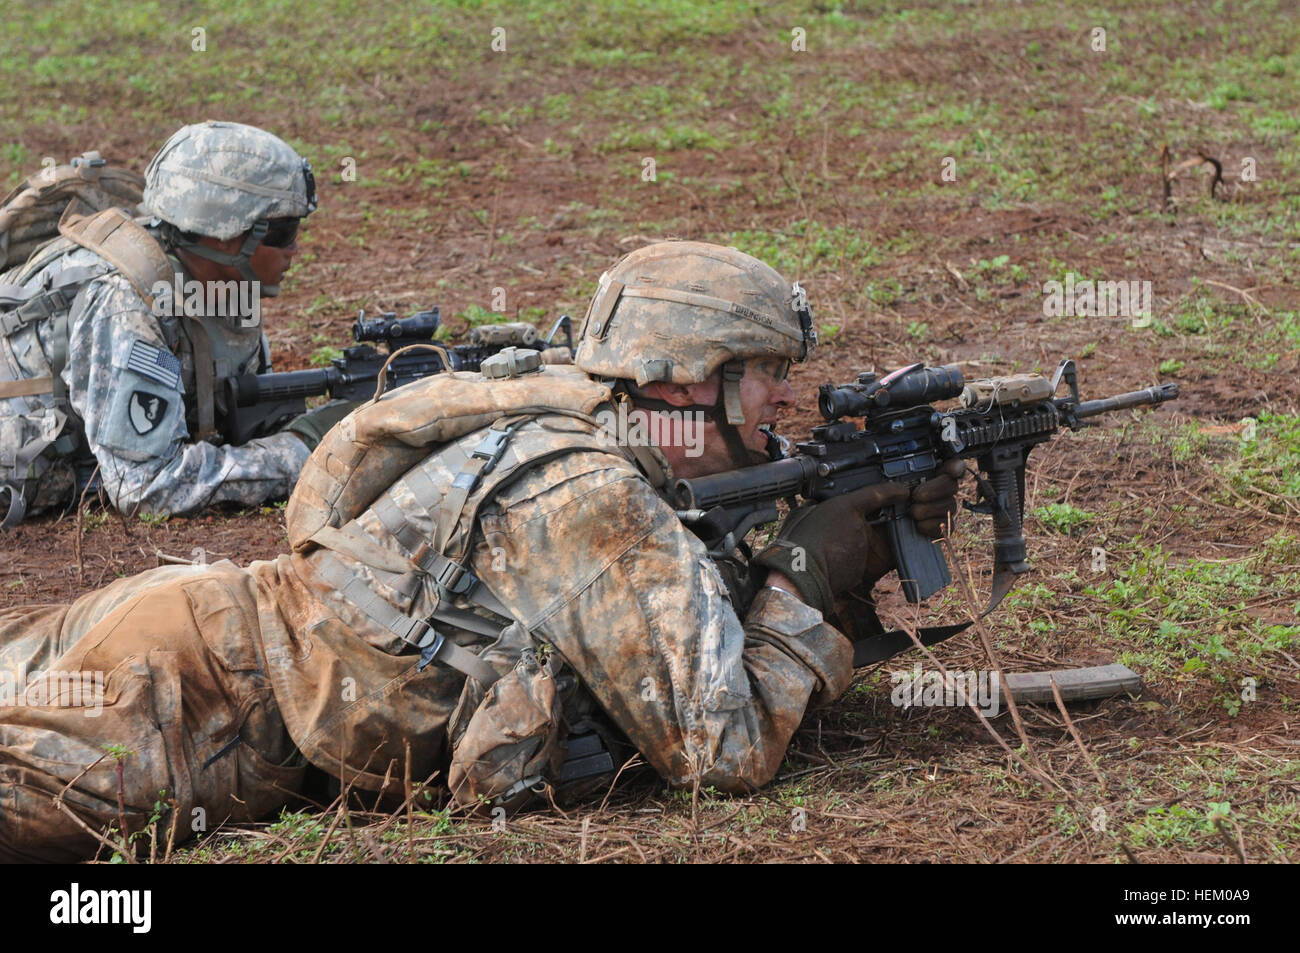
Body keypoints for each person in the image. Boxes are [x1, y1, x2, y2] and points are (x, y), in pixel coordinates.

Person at [0, 240, 964, 861]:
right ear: (682, 385)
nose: (787, 402)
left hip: (189, 616)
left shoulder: (578, 412)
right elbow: (722, 751)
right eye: (765, 378)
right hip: (201, 712)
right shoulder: (592, 495)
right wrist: (810, 579)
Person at [0, 120, 350, 526]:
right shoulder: (127, 304)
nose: (294, 247)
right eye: (282, 230)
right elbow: (148, 485)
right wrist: (305, 452)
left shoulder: (217, 281)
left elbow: (237, 418)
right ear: (223, 235)